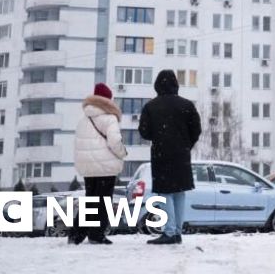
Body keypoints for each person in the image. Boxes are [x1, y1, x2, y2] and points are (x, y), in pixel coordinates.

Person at [138, 69, 202, 244]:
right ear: (175, 84)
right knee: (180, 192)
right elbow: (196, 130)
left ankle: (170, 232)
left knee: (164, 192)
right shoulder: (187, 105)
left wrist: (160, 137)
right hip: (182, 156)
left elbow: (144, 132)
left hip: (162, 155)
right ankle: (177, 232)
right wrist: (185, 145)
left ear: (157, 85)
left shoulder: (151, 106)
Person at [69, 82, 127, 245]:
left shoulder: (84, 119)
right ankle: (96, 234)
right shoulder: (110, 118)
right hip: (106, 167)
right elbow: (115, 142)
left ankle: (76, 234)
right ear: (108, 100)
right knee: (103, 202)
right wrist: (122, 153)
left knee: (90, 200)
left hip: (88, 167)